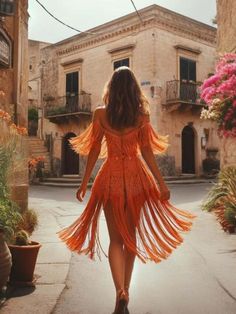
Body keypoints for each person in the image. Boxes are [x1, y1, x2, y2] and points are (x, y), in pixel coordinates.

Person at [58, 66, 197, 314]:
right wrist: (161, 184)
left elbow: (92, 151)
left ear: (111, 88)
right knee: (130, 241)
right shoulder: (142, 116)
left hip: (109, 179)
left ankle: (118, 291)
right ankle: (126, 292)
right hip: (136, 181)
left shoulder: (100, 114)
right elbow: (146, 153)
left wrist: (84, 182)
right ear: (134, 89)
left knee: (115, 241)